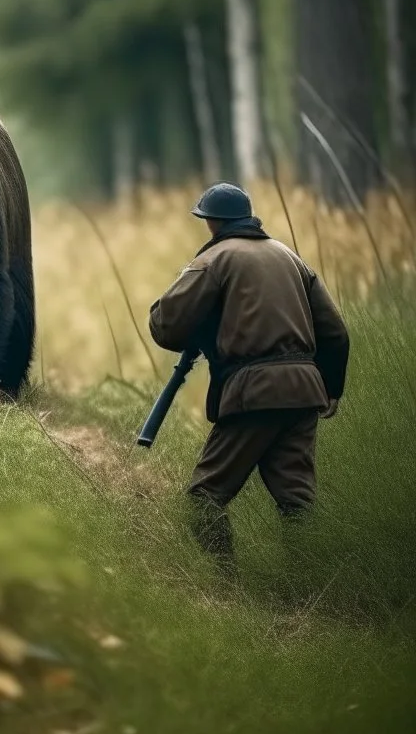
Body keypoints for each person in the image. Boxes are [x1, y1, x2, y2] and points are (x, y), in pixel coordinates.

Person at [148, 182, 350, 577]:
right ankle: (309, 589)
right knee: (298, 504)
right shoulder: (291, 258)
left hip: (253, 393)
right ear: (248, 216)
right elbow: (336, 333)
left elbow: (165, 326)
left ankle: (223, 588)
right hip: (306, 393)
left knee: (204, 498)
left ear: (210, 221)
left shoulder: (215, 259)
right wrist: (332, 389)